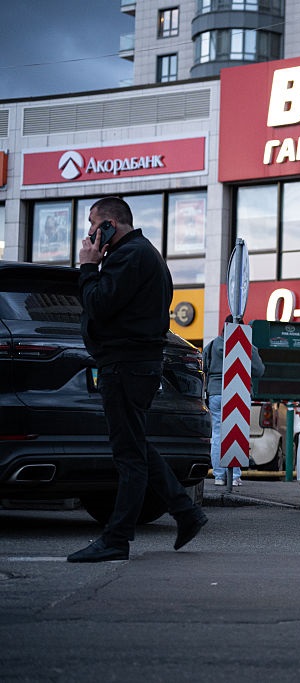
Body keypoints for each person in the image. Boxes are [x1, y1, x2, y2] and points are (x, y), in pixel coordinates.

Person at [68, 196, 208, 563]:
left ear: (110, 224)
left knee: (129, 455)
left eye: (93, 224)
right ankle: (186, 511)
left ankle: (116, 539)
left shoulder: (129, 256)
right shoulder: (142, 254)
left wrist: (89, 266)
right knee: (135, 444)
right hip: (133, 365)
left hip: (126, 367)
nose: (90, 233)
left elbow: (98, 304)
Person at [203, 315, 266, 487]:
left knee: (217, 434)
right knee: (237, 432)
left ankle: (218, 476)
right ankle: (235, 476)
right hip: (239, 392)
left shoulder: (211, 346)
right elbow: (259, 370)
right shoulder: (247, 346)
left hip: (216, 393)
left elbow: (203, 368)